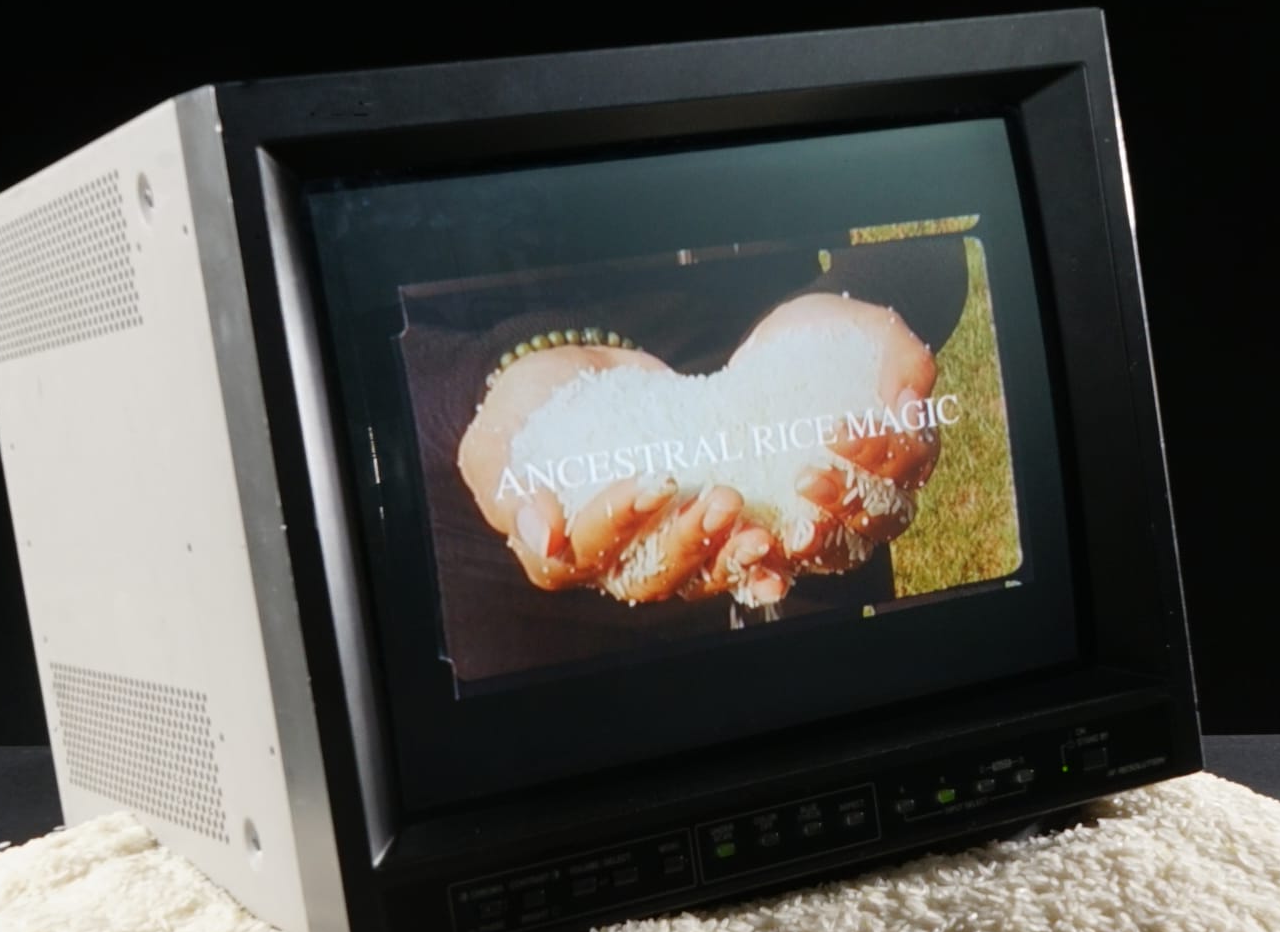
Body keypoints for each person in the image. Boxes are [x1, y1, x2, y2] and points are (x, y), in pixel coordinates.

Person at [395, 233, 969, 683]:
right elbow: (333, 353)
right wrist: (480, 384)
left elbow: (941, 217)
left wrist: (863, 316)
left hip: (804, 484)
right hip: (505, 597)